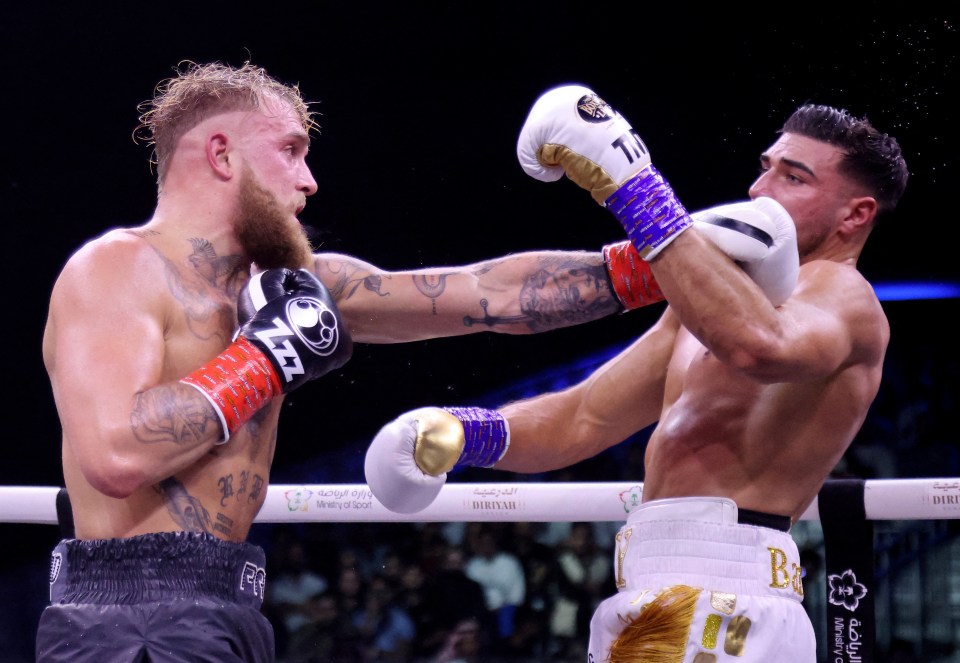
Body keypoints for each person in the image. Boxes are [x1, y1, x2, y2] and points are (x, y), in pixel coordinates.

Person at [33, 61, 681, 663]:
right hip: (127, 620)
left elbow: (491, 295)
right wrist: (267, 354)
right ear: (221, 153)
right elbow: (116, 455)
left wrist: (674, 259)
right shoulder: (118, 269)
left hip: (230, 603)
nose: (309, 180)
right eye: (289, 149)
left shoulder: (295, 284)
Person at [365, 83, 908, 662]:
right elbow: (583, 417)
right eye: (765, 168)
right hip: (653, 590)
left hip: (724, 601)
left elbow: (761, 347)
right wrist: (463, 433)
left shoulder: (846, 298)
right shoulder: (711, 305)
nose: (760, 190)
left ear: (856, 214)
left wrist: (633, 184)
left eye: (793, 178)